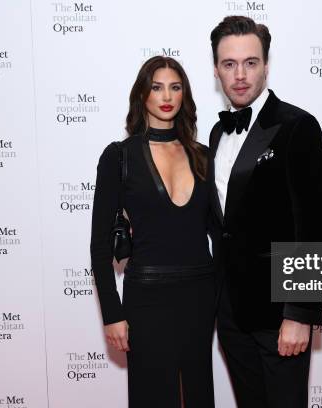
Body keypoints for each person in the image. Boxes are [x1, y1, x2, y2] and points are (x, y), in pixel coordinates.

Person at [208, 16, 322, 408]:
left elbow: (316, 227)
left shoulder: (297, 127)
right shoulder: (216, 135)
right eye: (229, 64)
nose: (240, 74)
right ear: (217, 70)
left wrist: (299, 313)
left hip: (279, 316)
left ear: (266, 65)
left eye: (250, 62)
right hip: (231, 316)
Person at [90, 56, 216, 408]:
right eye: (156, 86)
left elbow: (221, 237)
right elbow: (100, 246)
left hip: (200, 294)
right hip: (146, 297)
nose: (166, 95)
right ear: (141, 94)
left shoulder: (205, 156)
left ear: (185, 96)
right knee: (151, 397)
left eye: (175, 87)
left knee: (199, 395)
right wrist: (113, 314)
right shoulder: (119, 157)